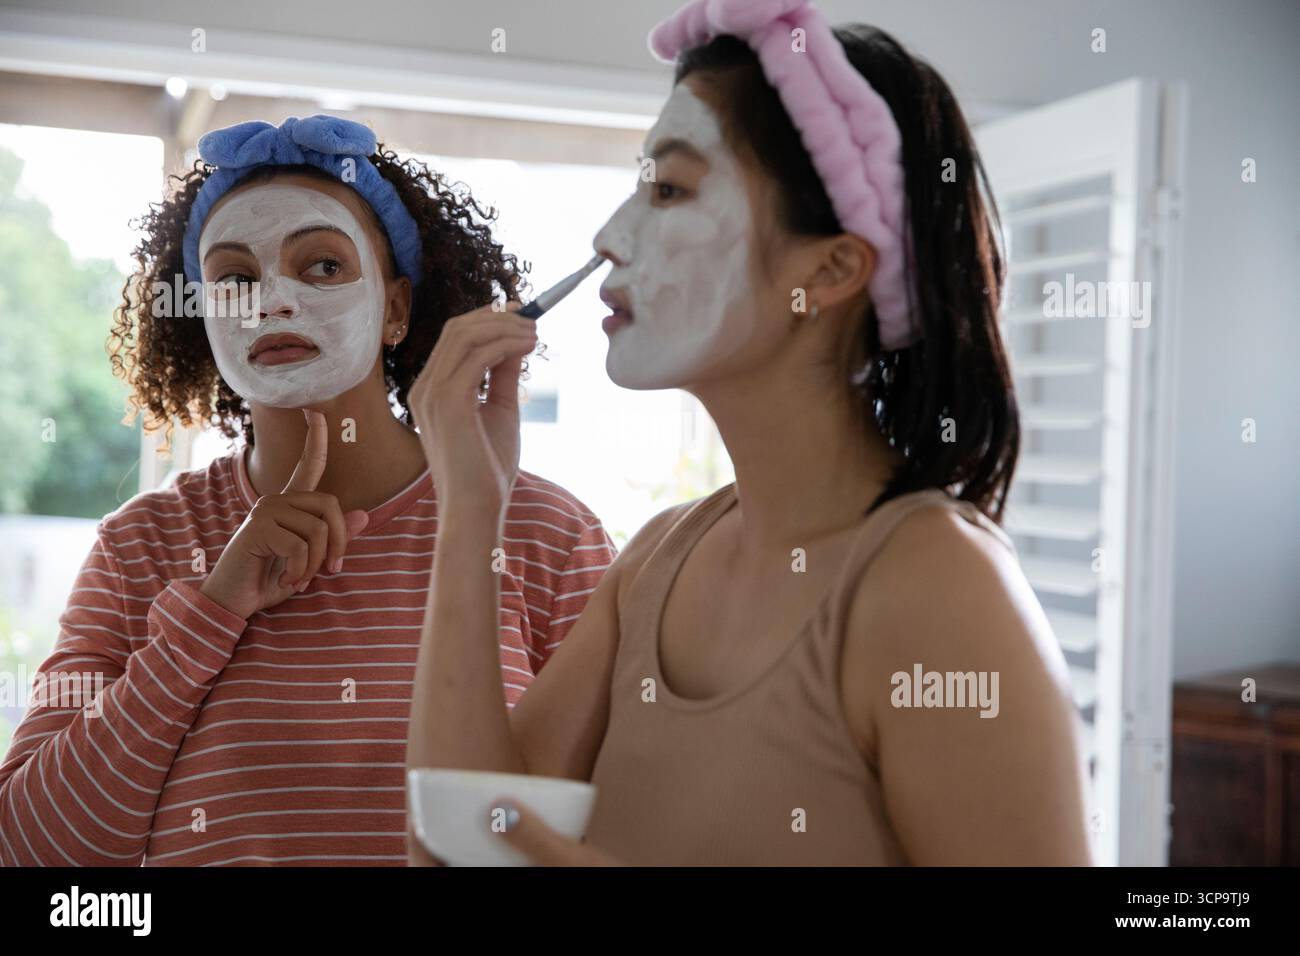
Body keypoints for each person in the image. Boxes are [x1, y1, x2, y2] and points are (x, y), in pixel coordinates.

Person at [406, 0, 1093, 865]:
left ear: (831, 268)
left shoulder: (939, 593)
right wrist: (470, 505)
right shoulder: (653, 566)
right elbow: (464, 851)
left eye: (670, 190)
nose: (611, 236)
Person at [0, 115, 616, 866]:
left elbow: (627, 824)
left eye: (322, 266)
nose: (273, 302)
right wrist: (212, 611)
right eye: (233, 279)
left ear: (396, 307)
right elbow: (31, 851)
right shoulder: (139, 546)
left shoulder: (548, 534)